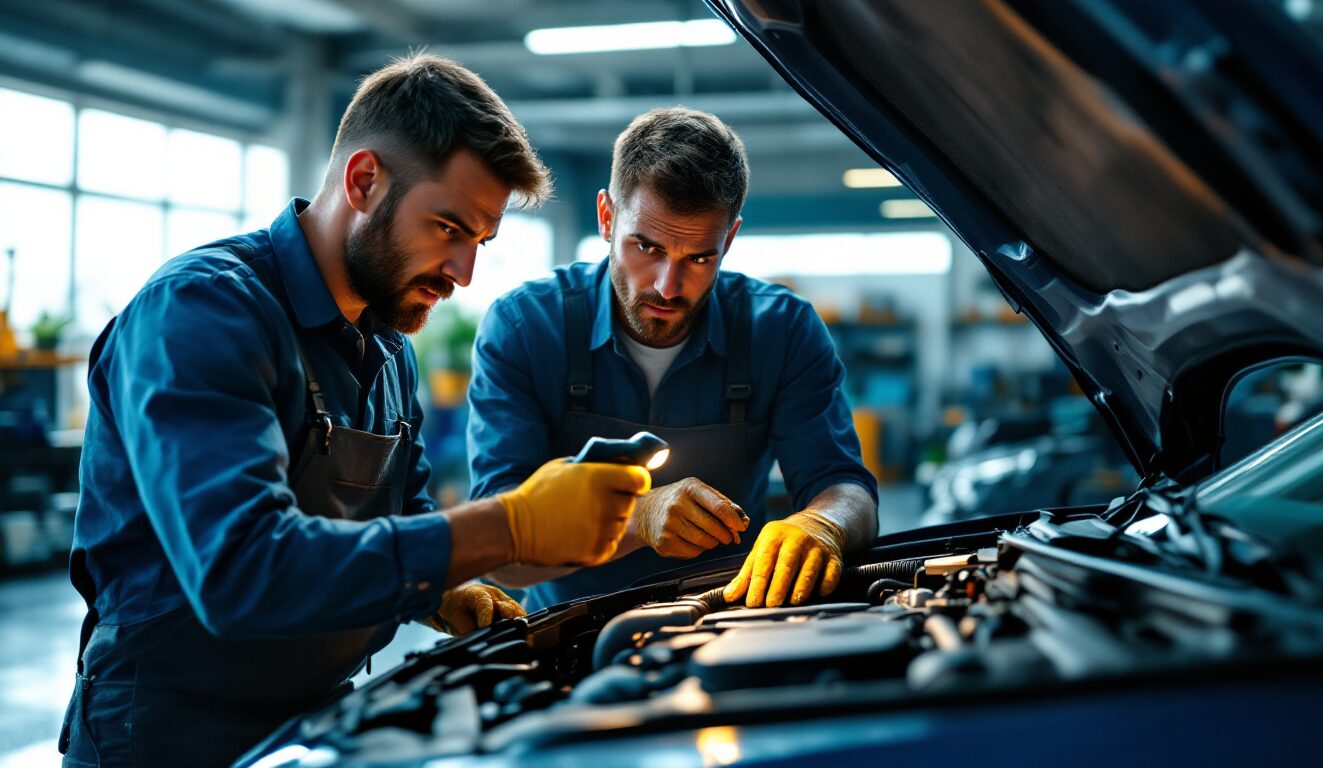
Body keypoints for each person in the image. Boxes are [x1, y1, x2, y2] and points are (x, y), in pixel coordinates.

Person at [59, 53, 651, 768]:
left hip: (315, 727)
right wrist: (509, 524)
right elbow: (242, 571)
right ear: (364, 180)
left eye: (480, 243)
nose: (464, 274)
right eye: (447, 228)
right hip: (167, 739)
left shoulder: (389, 345)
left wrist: (439, 590)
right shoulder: (203, 311)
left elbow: (401, 519)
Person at [467, 107, 877, 611]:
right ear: (606, 217)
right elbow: (498, 549)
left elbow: (844, 486)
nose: (667, 285)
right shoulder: (526, 328)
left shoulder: (782, 331)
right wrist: (636, 518)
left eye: (699, 257)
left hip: (728, 627)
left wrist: (823, 523)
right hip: (569, 638)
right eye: (646, 246)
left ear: (729, 239)